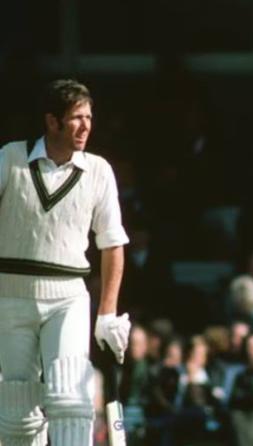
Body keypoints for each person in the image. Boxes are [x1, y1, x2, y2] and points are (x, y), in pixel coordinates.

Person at [0, 79, 131, 446]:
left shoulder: (98, 171)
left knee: (71, 398)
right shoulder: (10, 159)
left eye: (89, 117)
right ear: (52, 122)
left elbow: (112, 243)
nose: (86, 126)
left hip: (69, 298)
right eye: (76, 118)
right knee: (17, 415)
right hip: (10, 295)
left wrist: (107, 314)